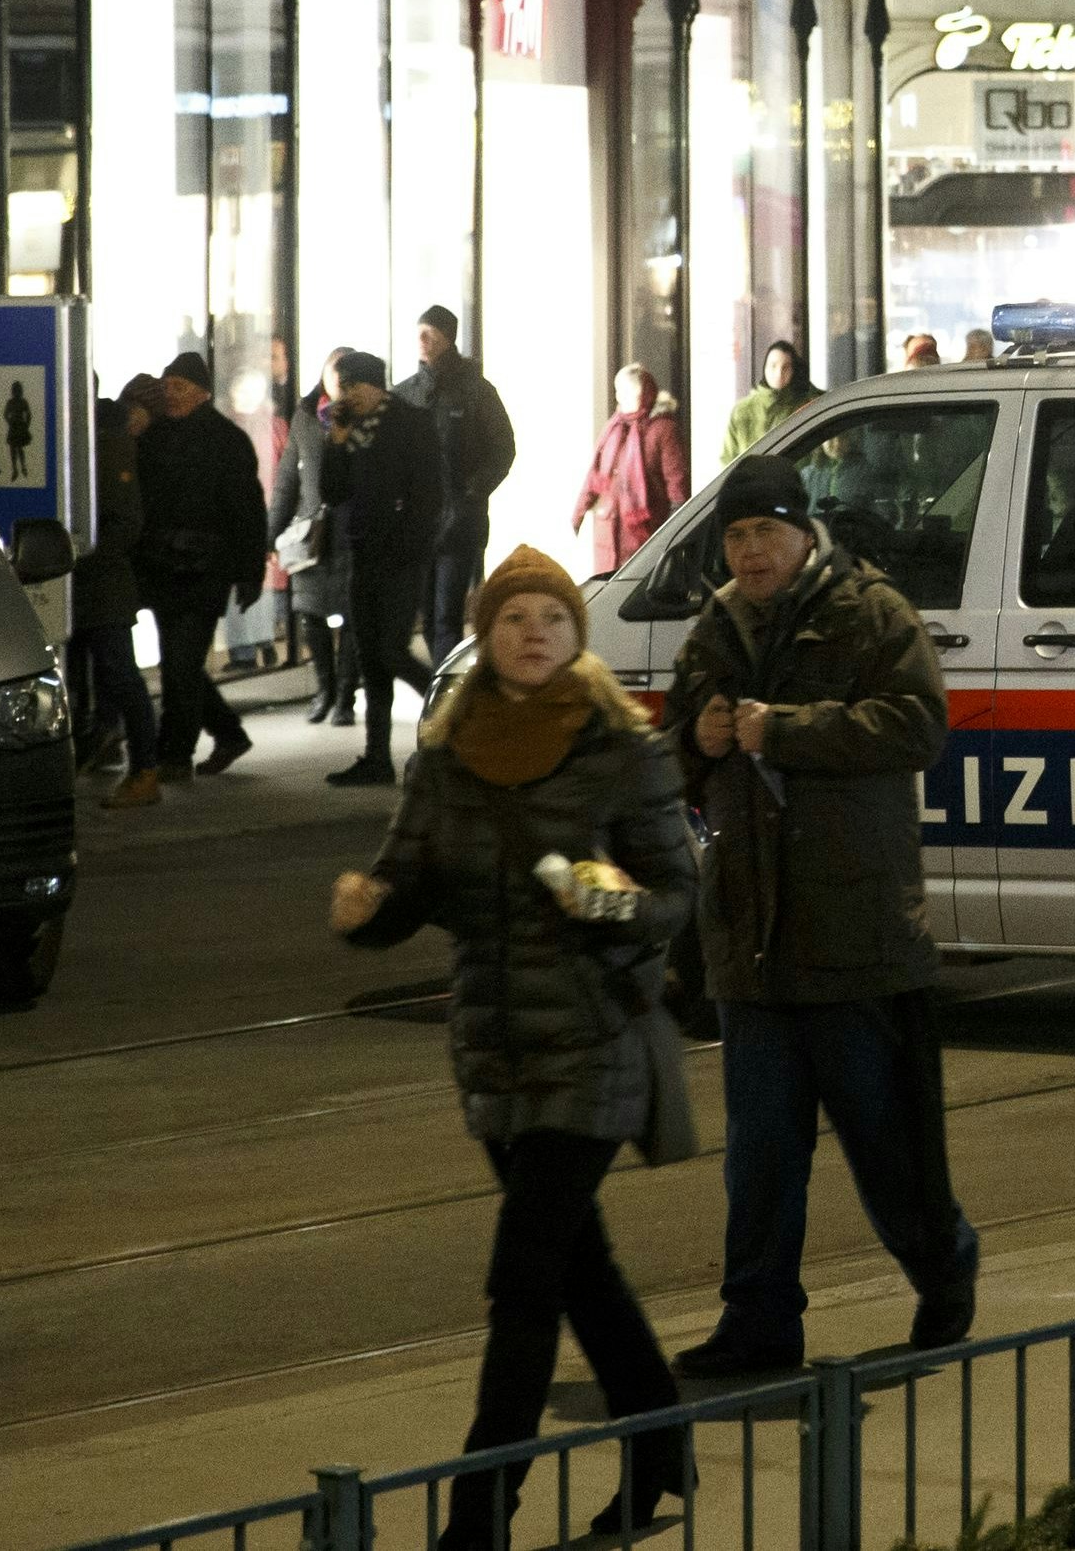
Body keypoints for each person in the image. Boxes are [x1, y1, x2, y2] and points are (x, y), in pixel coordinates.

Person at [330, 547, 699, 1551]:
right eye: (513, 619)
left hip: (593, 1043)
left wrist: (600, 898)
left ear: (578, 635)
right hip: (493, 1049)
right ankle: (662, 1448)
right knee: (581, 1270)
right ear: (485, 638)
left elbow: (676, 897)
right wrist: (365, 912)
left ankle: (479, 1514)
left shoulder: (621, 750)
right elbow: (408, 884)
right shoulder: (447, 756)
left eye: (552, 617)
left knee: (524, 1282)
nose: (534, 633)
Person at [666, 454, 979, 1375]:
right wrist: (696, 739)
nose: (751, 551)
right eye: (736, 536)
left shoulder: (871, 612)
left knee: (888, 1144)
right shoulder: (714, 630)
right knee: (760, 1154)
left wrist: (788, 730)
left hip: (855, 933)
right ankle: (758, 1320)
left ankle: (942, 1265)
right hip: (751, 940)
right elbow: (671, 757)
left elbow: (918, 725)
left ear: (804, 533)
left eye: (766, 531)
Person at [133, 354, 268, 780]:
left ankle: (174, 756)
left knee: (181, 664)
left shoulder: (227, 441)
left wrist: (250, 572)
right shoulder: (154, 436)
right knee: (181, 664)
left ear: (202, 393)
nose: (171, 394)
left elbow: (248, 512)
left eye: (180, 387)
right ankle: (229, 734)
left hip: (207, 569)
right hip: (162, 566)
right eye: (167, 386)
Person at [318, 350, 448, 787]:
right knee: (369, 656)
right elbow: (332, 493)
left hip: (403, 556)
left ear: (376, 385)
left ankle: (453, 717)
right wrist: (336, 442)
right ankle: (377, 757)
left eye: (355, 386)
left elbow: (430, 493)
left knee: (391, 649)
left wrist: (412, 544)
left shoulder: (411, 423)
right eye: (344, 387)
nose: (348, 395)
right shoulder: (347, 429)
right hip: (363, 553)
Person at [401, 306, 519, 667]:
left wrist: (471, 493)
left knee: (447, 617)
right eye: (419, 332)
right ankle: (441, 683)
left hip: (461, 524)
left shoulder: (476, 391)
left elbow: (503, 449)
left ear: (447, 338)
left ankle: (446, 689)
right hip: (418, 526)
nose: (422, 340)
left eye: (430, 333)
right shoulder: (406, 393)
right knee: (428, 618)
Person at [72, 378, 162, 808]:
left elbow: (126, 521)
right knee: (90, 677)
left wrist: (86, 556)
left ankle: (145, 769)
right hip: (80, 580)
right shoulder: (83, 437)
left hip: (102, 582)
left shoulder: (109, 440)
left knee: (120, 674)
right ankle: (109, 753)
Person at [272, 355, 349, 728]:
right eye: (335, 373)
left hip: (350, 531)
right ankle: (325, 690)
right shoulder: (306, 416)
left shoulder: (366, 416)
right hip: (311, 533)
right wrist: (271, 533)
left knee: (352, 617)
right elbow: (288, 479)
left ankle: (346, 696)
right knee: (309, 612)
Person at [575, 366, 694, 579]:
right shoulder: (614, 427)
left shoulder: (663, 429)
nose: (620, 397)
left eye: (627, 392)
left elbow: (677, 483)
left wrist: (674, 531)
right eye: (618, 391)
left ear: (644, 393)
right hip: (607, 540)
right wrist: (578, 513)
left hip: (643, 537)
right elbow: (595, 477)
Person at [722, 338, 817, 464]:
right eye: (773, 366)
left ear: (793, 370)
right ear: (765, 368)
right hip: (749, 476)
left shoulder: (804, 406)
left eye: (785, 367)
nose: (779, 373)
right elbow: (727, 460)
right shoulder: (742, 410)